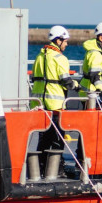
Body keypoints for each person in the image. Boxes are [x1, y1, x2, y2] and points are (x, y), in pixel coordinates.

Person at [29, 25, 73, 180]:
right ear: (58, 40)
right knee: (57, 140)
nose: (66, 44)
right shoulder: (60, 58)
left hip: (39, 104)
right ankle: (57, 171)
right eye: (65, 41)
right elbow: (66, 81)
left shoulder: (39, 57)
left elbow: (35, 77)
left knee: (43, 138)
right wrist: (77, 86)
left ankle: (39, 170)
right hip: (55, 105)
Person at [82, 21, 102, 105]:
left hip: (93, 91)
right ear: (101, 38)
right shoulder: (96, 54)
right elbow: (94, 76)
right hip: (90, 93)